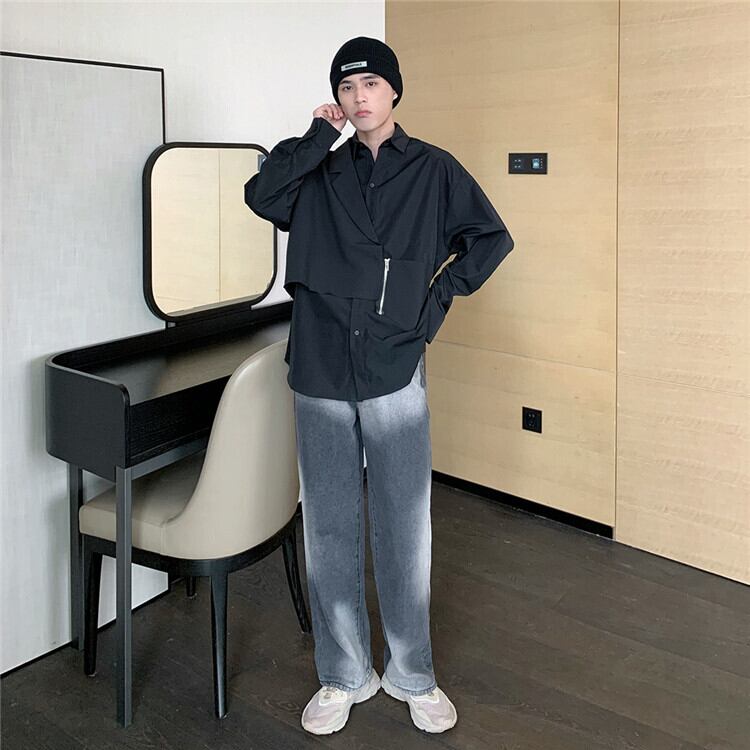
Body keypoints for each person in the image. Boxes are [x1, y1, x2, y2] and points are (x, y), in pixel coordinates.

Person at [244, 36, 513, 736]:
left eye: (370, 84)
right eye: (346, 86)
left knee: (404, 522)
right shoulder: (317, 171)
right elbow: (261, 195)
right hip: (321, 365)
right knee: (329, 523)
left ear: (393, 90)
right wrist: (317, 136)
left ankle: (412, 673)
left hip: (394, 363)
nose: (359, 97)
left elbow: (490, 239)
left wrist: (434, 300)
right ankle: (343, 673)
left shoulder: (433, 169)